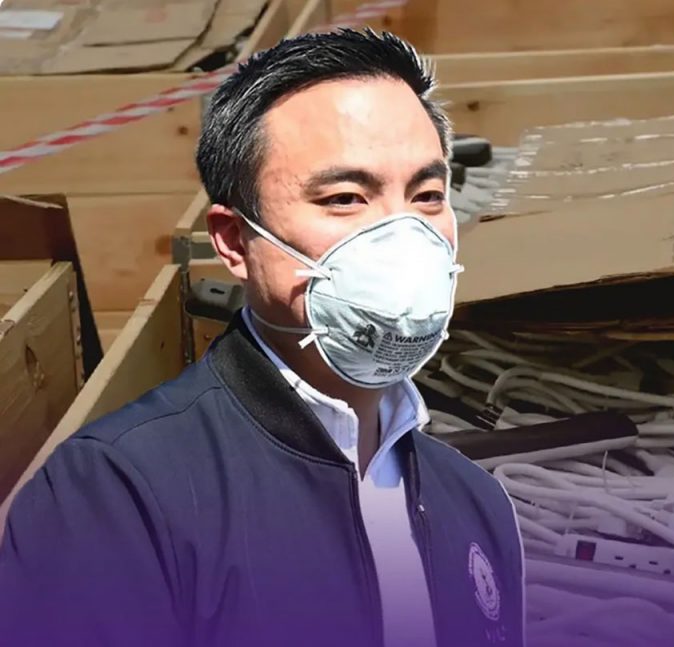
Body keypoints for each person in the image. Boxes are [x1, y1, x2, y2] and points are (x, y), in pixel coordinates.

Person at [0, 29, 525, 647]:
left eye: (428, 195)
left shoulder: (475, 506)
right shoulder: (115, 498)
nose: (403, 236)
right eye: (345, 198)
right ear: (234, 241)